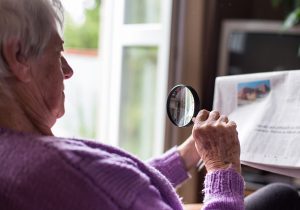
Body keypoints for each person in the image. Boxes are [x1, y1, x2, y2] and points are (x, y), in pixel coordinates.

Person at [0, 0, 246, 209]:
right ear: (19, 56)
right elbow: (107, 188)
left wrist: (187, 154)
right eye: (57, 52)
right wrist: (221, 167)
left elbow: (116, 192)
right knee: (279, 195)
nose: (68, 70)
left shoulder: (14, 153)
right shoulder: (63, 171)